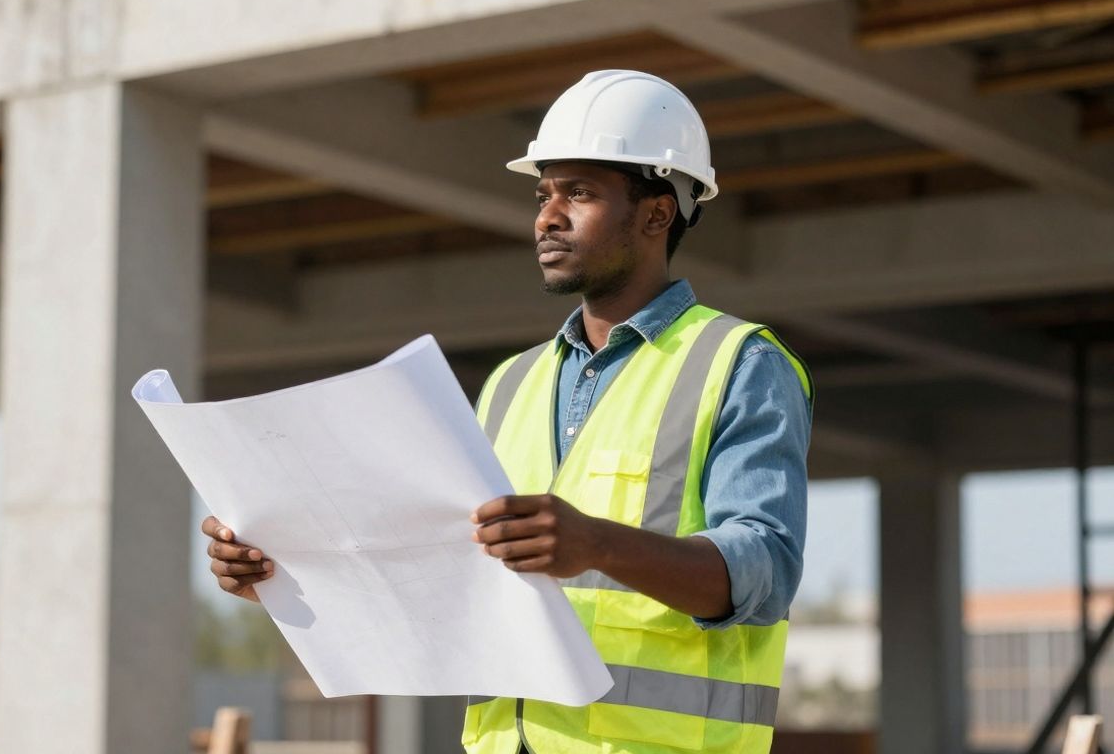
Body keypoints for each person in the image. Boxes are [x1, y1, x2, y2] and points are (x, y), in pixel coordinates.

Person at [201, 69, 813, 754]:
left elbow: (765, 573)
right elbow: (449, 578)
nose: (548, 216)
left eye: (578, 192)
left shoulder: (738, 362)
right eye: (544, 193)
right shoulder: (510, 384)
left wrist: (598, 545)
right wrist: (288, 571)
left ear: (656, 212)